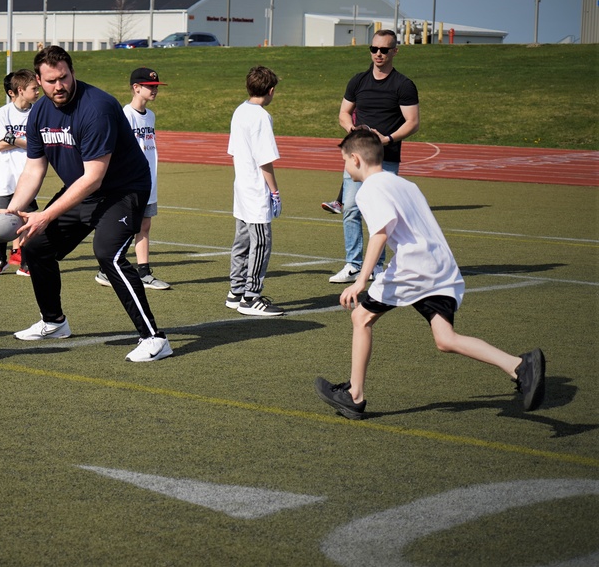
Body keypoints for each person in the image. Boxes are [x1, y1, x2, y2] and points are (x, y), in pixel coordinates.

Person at [315, 129, 545, 419]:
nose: (345, 168)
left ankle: (354, 395)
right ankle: (518, 365)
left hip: (413, 268)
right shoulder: (406, 184)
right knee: (445, 338)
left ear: (356, 159)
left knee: (361, 316)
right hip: (441, 265)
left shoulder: (370, 190)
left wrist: (361, 280)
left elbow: (381, 232)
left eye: (345, 161)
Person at [7, 46, 171, 363]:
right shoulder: (40, 112)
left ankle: (154, 338)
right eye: (51, 80)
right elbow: (34, 168)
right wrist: (12, 209)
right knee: (36, 246)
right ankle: (54, 322)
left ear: (72, 72)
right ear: (39, 81)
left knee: (107, 253)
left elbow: (94, 177)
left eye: (64, 77)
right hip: (84, 189)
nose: (60, 85)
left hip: (124, 191)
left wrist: (46, 215)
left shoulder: (97, 108)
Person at [330, 29, 420, 284]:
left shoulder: (403, 85)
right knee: (350, 209)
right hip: (356, 159)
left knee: (381, 213)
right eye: (374, 49)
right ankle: (354, 264)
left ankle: (378, 266)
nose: (378, 54)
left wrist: (387, 139)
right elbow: (344, 114)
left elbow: (412, 122)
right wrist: (353, 130)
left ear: (394, 51)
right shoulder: (358, 81)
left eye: (384, 50)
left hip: (385, 158)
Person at [95, 67, 170, 290]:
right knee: (128, 227)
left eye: (156, 87)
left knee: (144, 226)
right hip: (130, 182)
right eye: (150, 87)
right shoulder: (125, 115)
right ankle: (106, 270)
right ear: (136, 88)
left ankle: (144, 272)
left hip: (149, 181)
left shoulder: (151, 116)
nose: (154, 90)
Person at [225, 66, 285, 317]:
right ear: (270, 91)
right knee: (260, 242)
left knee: (242, 241)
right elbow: (264, 159)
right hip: (255, 190)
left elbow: (235, 152)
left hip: (241, 186)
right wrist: (275, 191)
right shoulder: (261, 116)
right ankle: (251, 297)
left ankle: (235, 291)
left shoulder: (240, 110)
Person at [0, 70, 39, 276]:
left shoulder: (37, 112)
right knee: (3, 218)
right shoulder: (4, 112)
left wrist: (13, 140)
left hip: (28, 174)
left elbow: (36, 144)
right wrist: (21, 142)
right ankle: (2, 259)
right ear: (20, 90)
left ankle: (25, 262)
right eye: (33, 88)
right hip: (6, 174)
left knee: (29, 219)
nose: (37, 91)